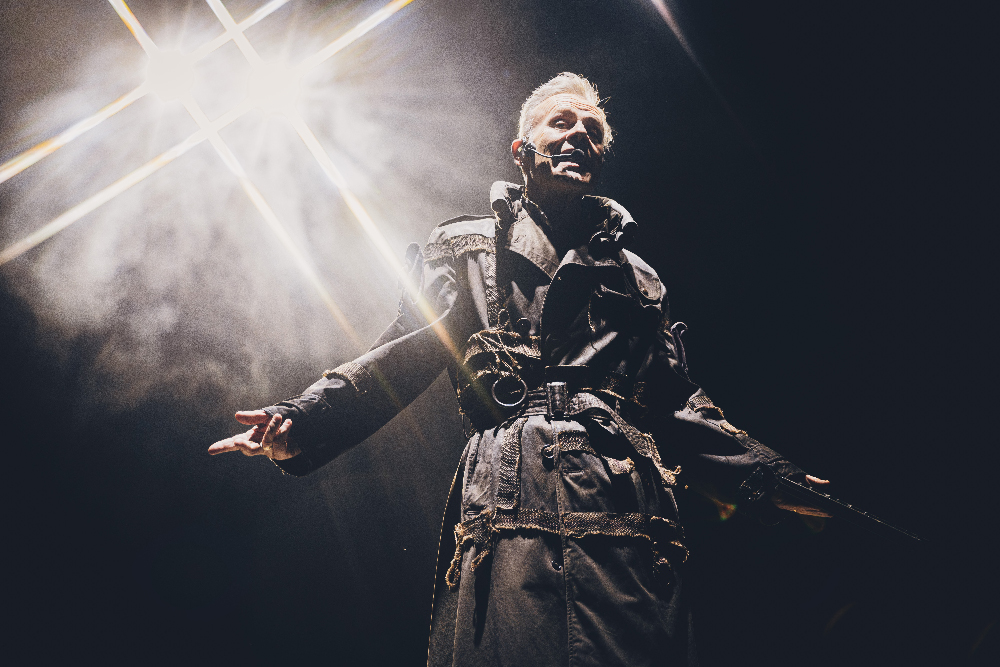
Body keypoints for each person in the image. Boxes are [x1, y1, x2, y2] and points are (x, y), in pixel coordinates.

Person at [209, 72, 829, 667]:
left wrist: (773, 478)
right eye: (562, 122)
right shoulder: (466, 248)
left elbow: (677, 403)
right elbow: (410, 349)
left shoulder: (639, 280)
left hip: (626, 508)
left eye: (593, 129)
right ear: (522, 150)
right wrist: (303, 418)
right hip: (512, 495)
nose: (580, 134)